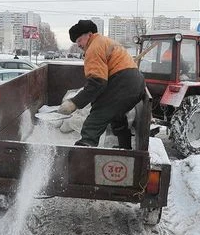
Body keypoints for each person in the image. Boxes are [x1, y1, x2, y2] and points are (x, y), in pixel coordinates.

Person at [57, 20, 145, 149]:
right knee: (116, 114)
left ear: (89, 34)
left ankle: (83, 152)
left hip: (123, 82)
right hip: (135, 82)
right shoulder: (104, 41)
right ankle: (125, 149)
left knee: (96, 118)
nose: (79, 44)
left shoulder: (94, 48)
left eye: (80, 40)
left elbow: (97, 83)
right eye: (76, 42)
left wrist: (74, 103)